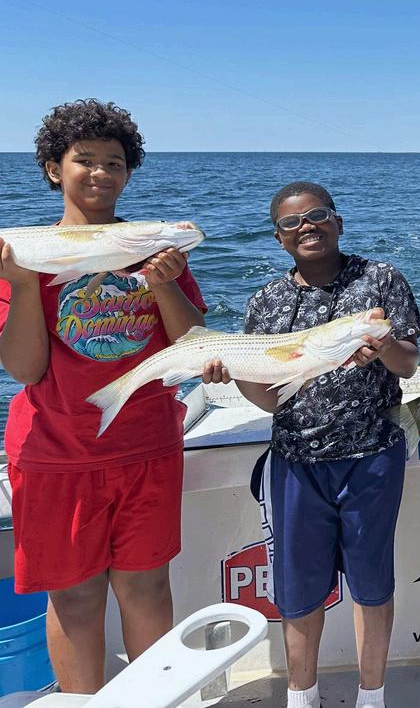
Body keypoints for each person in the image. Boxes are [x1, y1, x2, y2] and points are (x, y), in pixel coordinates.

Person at [0, 99, 206, 693]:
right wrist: (21, 286)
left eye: (114, 163)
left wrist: (163, 284)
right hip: (56, 452)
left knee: (147, 587)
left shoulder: (154, 250)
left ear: (129, 173)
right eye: (83, 160)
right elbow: (25, 368)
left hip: (146, 444)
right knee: (74, 597)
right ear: (52, 168)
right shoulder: (22, 254)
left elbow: (193, 347)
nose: (100, 173)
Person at [202, 181, 420, 708]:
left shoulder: (380, 280)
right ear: (279, 238)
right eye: (291, 222)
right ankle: (302, 696)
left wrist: (383, 345)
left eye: (317, 215)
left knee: (372, 583)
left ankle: (372, 696)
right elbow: (269, 400)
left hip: (373, 455)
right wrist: (232, 373)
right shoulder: (266, 302)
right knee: (298, 590)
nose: (306, 226)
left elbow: (409, 364)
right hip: (296, 462)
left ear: (337, 222)